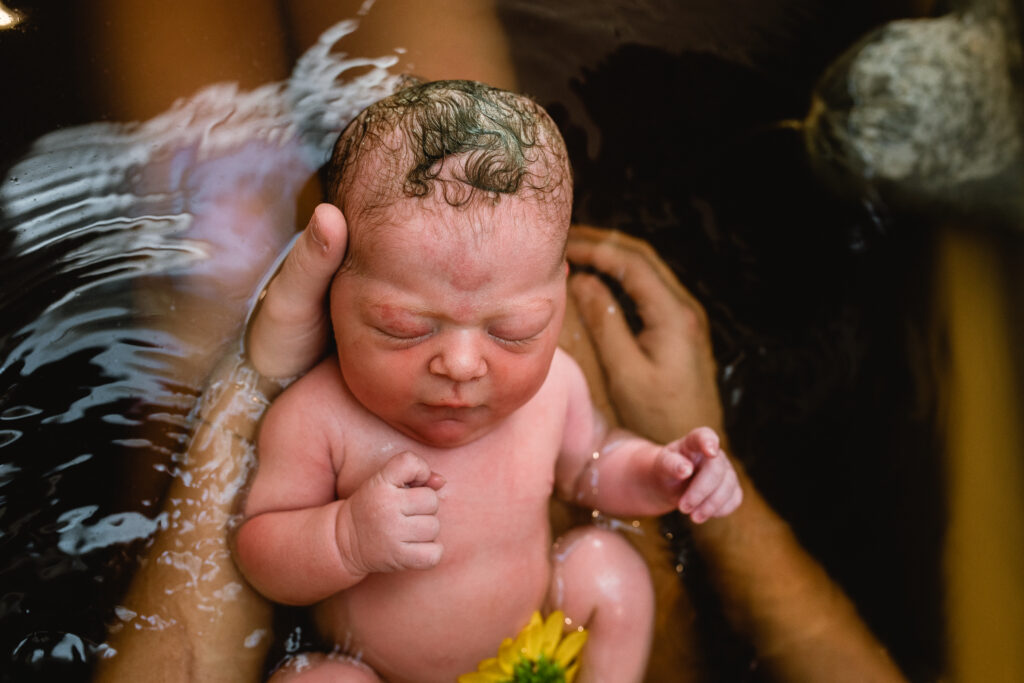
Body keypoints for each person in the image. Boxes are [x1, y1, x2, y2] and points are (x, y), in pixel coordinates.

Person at [232, 79, 742, 682]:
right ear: (332, 296)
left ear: (557, 293)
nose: (463, 365)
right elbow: (258, 551)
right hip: (371, 669)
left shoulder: (556, 390)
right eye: (404, 327)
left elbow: (593, 470)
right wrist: (345, 538)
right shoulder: (320, 420)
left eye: (515, 330)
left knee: (608, 568)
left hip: (530, 653)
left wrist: (663, 472)